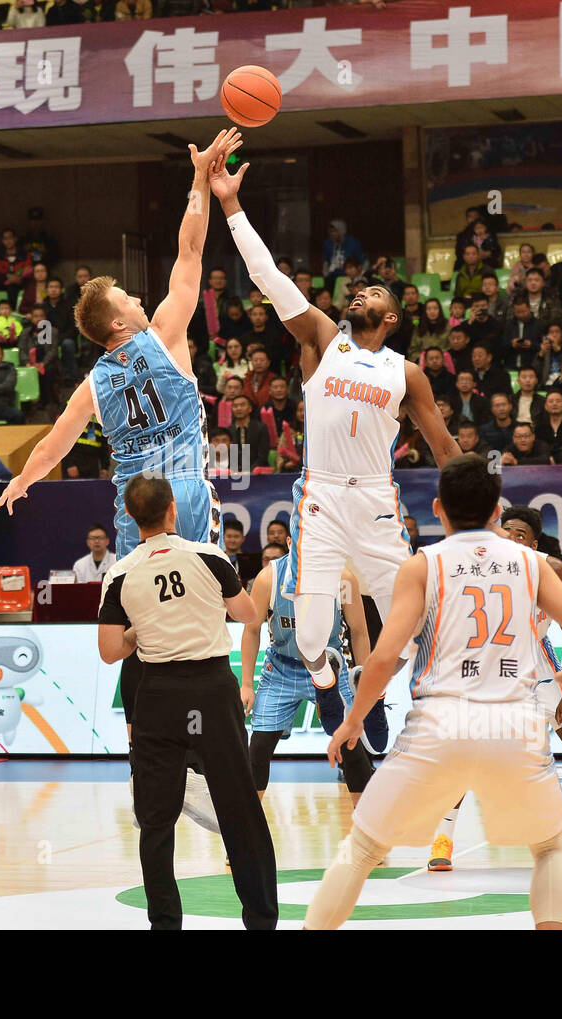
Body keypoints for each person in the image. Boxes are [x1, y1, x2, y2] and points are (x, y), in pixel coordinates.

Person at [0, 132, 240, 830]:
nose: (139, 294)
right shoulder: (164, 331)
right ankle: (209, 743)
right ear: (121, 318)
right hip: (187, 492)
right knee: (212, 618)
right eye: (129, 294)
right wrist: (199, 180)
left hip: (134, 516)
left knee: (132, 632)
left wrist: (22, 485)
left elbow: (53, 444)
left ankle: (154, 744)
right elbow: (192, 249)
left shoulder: (93, 386)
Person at [304, 454, 562, 930]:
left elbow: (383, 659)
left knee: (362, 849)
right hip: (514, 726)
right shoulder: (533, 562)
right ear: (496, 511)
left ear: (438, 508)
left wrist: (353, 719)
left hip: (438, 725)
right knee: (549, 848)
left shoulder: (423, 565)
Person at [211, 149, 460, 699]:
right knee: (310, 638)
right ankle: (329, 682)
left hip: (375, 499)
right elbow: (268, 276)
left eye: (372, 293)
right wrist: (230, 204)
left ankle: (407, 707)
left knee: (418, 627)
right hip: (320, 493)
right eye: (358, 291)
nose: (358, 294)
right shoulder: (326, 338)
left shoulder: (407, 372)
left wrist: (479, 512)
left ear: (391, 317)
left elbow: (445, 447)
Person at [97, 476, 275, 931]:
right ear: (174, 509)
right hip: (210, 690)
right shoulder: (210, 557)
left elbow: (111, 650)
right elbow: (248, 615)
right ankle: (260, 919)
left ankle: (165, 924)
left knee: (155, 819)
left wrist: (142, 627)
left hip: (156, 694)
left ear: (131, 518)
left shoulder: (118, 574)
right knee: (239, 808)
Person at [424, 504, 562, 872]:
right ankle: (443, 838)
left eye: (521, 535)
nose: (512, 539)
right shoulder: (479, 564)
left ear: (535, 541)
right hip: (488, 666)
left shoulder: (550, 568)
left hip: (537, 664)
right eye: (507, 532)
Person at [241, 558, 381, 806]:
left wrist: (365, 679)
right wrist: (247, 685)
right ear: (289, 541)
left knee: (351, 745)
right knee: (259, 747)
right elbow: (251, 630)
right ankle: (250, 822)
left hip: (329, 664)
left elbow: (359, 631)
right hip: (282, 667)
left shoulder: (343, 578)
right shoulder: (269, 578)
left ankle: (362, 822)